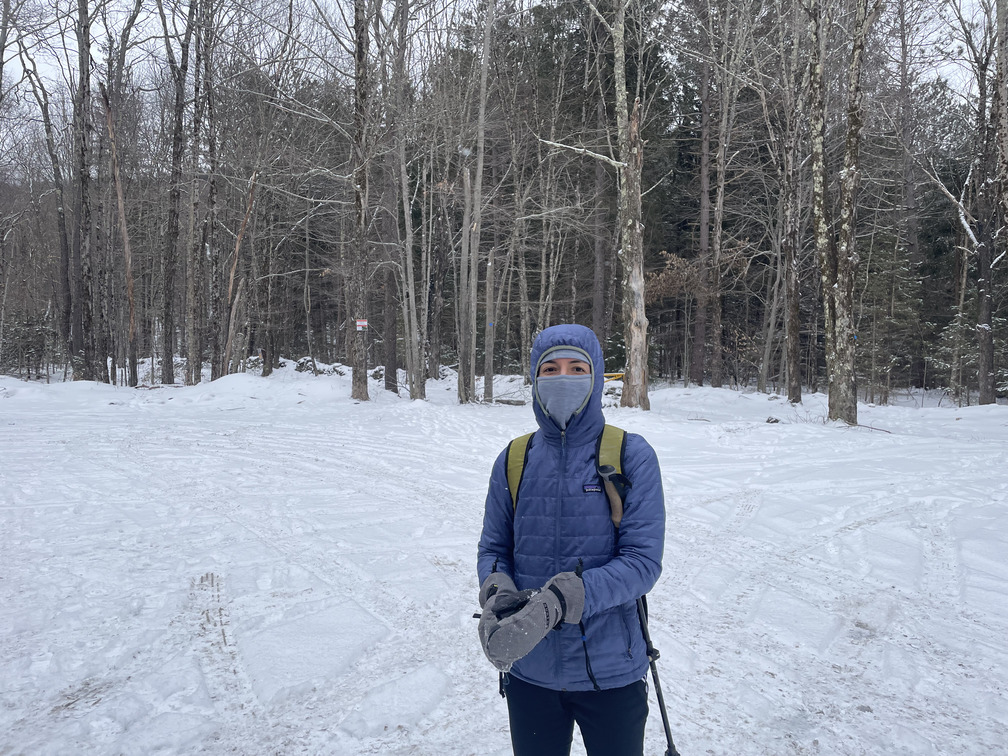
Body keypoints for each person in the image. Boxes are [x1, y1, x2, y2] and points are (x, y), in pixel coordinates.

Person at [476, 323, 666, 756]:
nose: (564, 378)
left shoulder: (631, 454)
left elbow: (642, 562)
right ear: (534, 378)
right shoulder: (514, 458)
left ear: (597, 376)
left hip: (611, 671)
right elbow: (493, 549)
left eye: (577, 368)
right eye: (550, 369)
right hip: (530, 671)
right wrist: (496, 592)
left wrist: (562, 599)